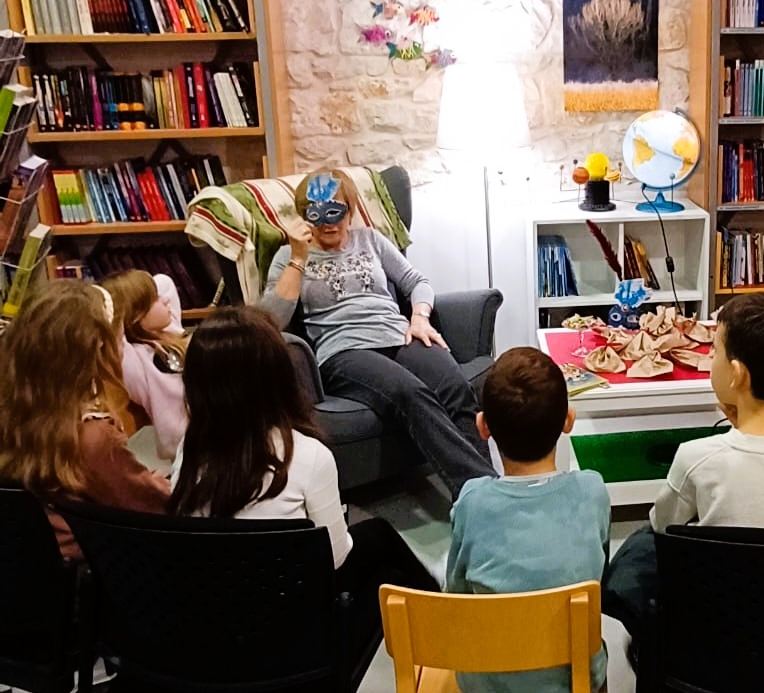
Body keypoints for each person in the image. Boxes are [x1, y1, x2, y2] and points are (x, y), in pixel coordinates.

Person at [170, 306, 438, 657]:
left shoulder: (189, 451)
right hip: (300, 641)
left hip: (220, 631)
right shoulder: (307, 456)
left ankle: (440, 610)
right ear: (277, 377)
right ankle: (448, 619)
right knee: (385, 560)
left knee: (377, 537)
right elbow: (337, 558)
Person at [602, 293, 764, 652]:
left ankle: (648, 648)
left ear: (737, 374)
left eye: (715, 350)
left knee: (642, 543)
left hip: (719, 637)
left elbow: (663, 526)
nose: (710, 357)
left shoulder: (698, 457)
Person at [259, 170, 495, 498]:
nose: (328, 222)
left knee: (454, 385)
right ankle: (482, 496)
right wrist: (298, 258)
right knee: (412, 393)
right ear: (304, 215)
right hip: (344, 351)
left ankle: (486, 493)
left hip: (397, 335)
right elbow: (271, 320)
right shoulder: (288, 256)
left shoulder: (370, 239)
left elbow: (417, 282)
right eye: (316, 212)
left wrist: (419, 318)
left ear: (351, 210)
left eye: (336, 211)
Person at [446, 347, 610, 693]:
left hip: (487, 683)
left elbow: (457, 595)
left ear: (483, 426)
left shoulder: (472, 502)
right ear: (568, 420)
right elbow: (598, 568)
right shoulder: (592, 490)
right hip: (575, 678)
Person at [0, 281, 169, 560]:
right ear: (98, 348)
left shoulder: (14, 412)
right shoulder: (91, 436)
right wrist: (159, 484)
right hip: (92, 569)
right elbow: (154, 510)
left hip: (29, 566)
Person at [101, 270, 189, 461]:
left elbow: (164, 281)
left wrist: (140, 287)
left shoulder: (169, 332)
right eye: (155, 299)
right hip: (186, 446)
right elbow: (111, 333)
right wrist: (115, 302)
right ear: (135, 315)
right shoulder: (134, 360)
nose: (166, 300)